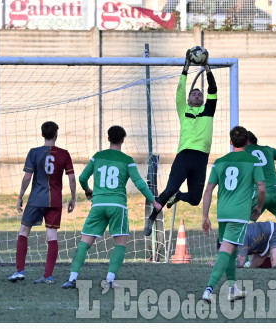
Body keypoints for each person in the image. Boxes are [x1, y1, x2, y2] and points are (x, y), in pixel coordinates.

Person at [62, 126, 162, 289]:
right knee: (120, 244)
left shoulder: (98, 157)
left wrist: (88, 190)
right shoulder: (127, 160)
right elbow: (139, 183)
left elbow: (82, 177)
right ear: (123, 140)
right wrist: (153, 201)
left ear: (108, 138)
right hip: (117, 206)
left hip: (99, 204)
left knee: (85, 242)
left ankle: (72, 279)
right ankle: (109, 280)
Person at [144, 48, 216, 236]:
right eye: (194, 93)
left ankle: (178, 197)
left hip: (200, 158)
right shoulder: (183, 109)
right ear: (188, 99)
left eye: (200, 94)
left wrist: (207, 67)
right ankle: (151, 218)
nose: (197, 95)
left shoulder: (208, 110)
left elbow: (213, 90)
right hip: (184, 155)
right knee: (169, 189)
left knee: (194, 200)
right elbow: (180, 90)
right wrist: (187, 66)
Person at [201, 125, 265, 303]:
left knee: (231, 250)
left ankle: (233, 289)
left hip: (223, 212)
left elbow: (208, 191)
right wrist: (259, 207)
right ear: (247, 142)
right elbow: (261, 188)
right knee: (226, 250)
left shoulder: (220, 162)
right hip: (239, 213)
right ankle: (209, 289)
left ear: (231, 142)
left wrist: (205, 216)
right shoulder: (253, 161)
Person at [9, 121, 76, 285]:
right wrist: (73, 198)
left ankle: (20, 271)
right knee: (52, 235)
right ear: (56, 135)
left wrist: (20, 196)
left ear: (42, 134)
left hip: (36, 199)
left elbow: (27, 177)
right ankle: (48, 275)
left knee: (24, 231)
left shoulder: (34, 152)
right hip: (55, 200)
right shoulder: (64, 154)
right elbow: (72, 178)